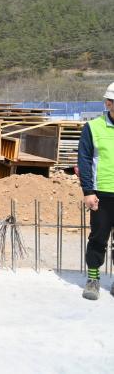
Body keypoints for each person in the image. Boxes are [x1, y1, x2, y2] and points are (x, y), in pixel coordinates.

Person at [79, 82, 114, 300]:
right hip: (102, 193)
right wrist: (88, 191)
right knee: (98, 238)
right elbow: (84, 160)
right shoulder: (93, 127)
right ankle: (93, 279)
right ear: (109, 103)